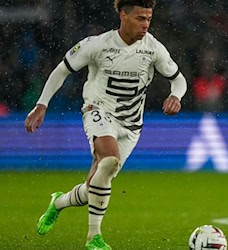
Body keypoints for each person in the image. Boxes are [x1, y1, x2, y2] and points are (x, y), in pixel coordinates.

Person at [24, 0, 187, 249]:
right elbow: (61, 70)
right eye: (140, 18)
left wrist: (176, 95)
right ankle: (94, 238)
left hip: (132, 125)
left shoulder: (153, 48)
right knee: (109, 161)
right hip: (98, 110)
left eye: (148, 19)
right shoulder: (97, 44)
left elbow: (178, 79)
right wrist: (42, 104)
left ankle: (58, 202)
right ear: (123, 15)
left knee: (97, 184)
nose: (146, 25)